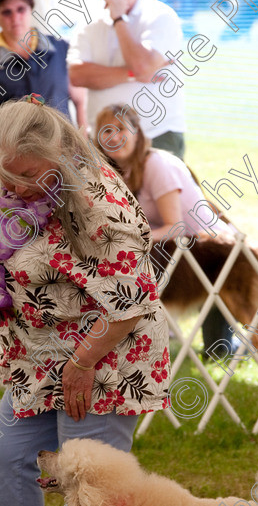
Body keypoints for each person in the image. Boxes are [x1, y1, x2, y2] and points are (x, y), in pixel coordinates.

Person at [0, 97, 178, 506]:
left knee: (96, 485)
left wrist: (82, 363)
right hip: (39, 364)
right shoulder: (27, 188)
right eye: (4, 174)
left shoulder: (100, 203)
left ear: (58, 153)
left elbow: (130, 299)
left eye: (27, 174)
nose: (13, 187)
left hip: (105, 361)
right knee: (6, 450)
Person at [95, 103, 236, 350]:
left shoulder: (156, 164)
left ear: (137, 133)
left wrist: (133, 238)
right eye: (106, 131)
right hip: (170, 252)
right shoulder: (108, 171)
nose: (114, 137)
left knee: (218, 350)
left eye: (121, 129)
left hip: (211, 253)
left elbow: (175, 227)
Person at [68, 0, 186, 158]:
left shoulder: (160, 15)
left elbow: (142, 64)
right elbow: (77, 75)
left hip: (156, 135)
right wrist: (133, 74)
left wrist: (118, 18)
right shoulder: (87, 24)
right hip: (104, 141)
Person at [0, 0, 86, 125]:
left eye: (21, 9)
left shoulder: (62, 49)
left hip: (62, 146)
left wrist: (83, 145)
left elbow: (80, 103)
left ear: (30, 10)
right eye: (6, 12)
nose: (15, 18)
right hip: (9, 147)